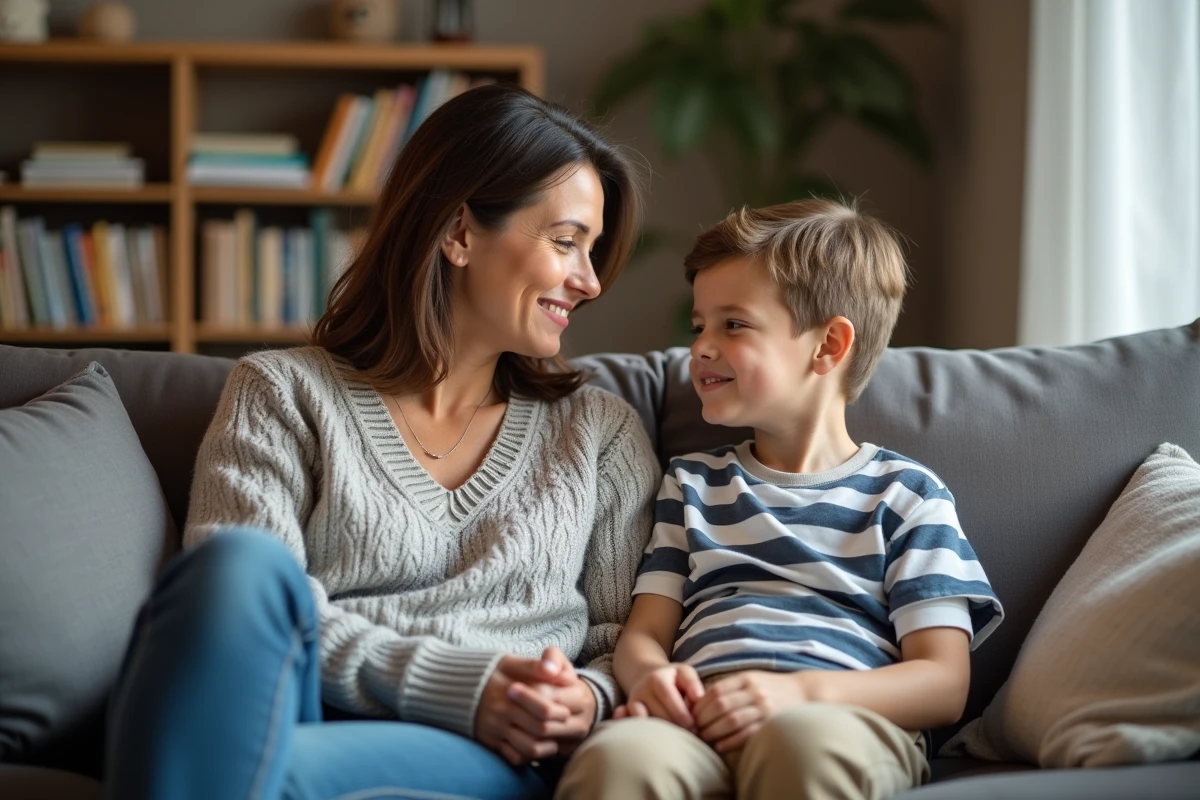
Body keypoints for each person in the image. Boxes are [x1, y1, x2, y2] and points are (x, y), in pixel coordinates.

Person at [102, 83, 662, 800]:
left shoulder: (599, 433)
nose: (588, 281)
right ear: (459, 233)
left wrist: (585, 697)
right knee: (236, 567)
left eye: (593, 251)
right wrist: (456, 684)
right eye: (566, 242)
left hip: (495, 755)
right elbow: (252, 627)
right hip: (298, 713)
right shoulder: (281, 393)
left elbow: (625, 641)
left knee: (260, 779)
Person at [557, 198, 1005, 800]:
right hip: (700, 725)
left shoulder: (907, 496)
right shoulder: (692, 486)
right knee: (620, 760)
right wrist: (651, 681)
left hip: (842, 722)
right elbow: (643, 636)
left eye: (733, 324)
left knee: (799, 747)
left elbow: (944, 684)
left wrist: (796, 695)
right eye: (700, 326)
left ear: (827, 346)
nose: (702, 347)